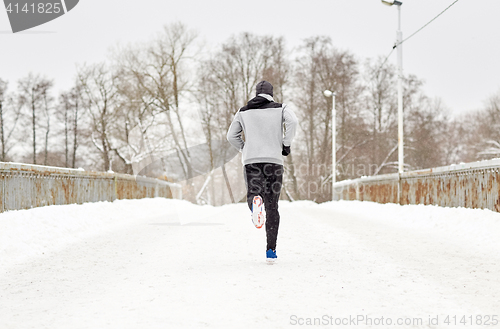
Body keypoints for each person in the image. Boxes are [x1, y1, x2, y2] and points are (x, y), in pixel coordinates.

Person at [226, 81, 298, 263]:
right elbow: (293, 121)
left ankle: (254, 203)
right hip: (273, 162)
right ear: (271, 94)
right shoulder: (281, 108)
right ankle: (271, 251)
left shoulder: (243, 111)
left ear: (256, 94)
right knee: (272, 206)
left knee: (254, 192)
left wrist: (245, 148)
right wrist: (285, 144)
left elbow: (231, 136)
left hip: (252, 162)